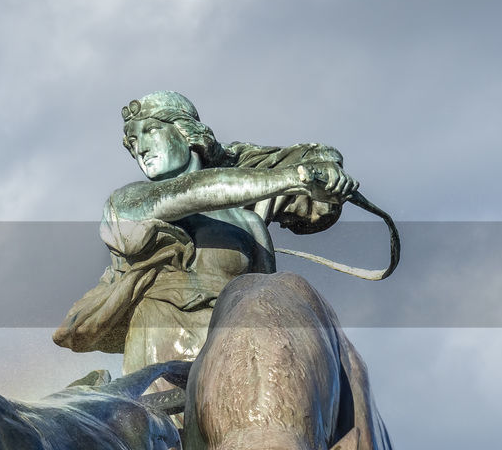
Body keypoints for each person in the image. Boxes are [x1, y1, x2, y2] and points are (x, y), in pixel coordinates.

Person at [54, 91, 357, 378]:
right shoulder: (129, 203)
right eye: (133, 142)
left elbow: (266, 301)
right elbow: (195, 191)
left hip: (240, 359)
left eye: (150, 132)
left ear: (187, 133)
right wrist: (296, 178)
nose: (140, 149)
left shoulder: (247, 223)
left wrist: (326, 179)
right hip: (162, 365)